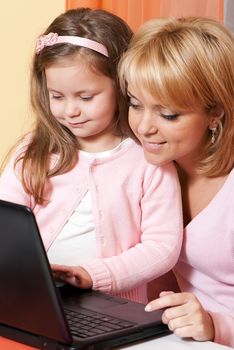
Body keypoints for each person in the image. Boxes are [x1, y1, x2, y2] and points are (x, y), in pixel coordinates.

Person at [0, 8, 183, 305]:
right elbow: (7, 222)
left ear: (122, 86)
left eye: (86, 97)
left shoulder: (148, 160)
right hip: (36, 302)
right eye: (56, 96)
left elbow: (162, 247)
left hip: (114, 310)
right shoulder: (34, 151)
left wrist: (92, 274)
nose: (70, 110)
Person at [118, 16, 234, 347]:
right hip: (172, 338)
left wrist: (215, 324)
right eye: (135, 104)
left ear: (216, 112)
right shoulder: (154, 169)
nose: (143, 127)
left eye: (168, 114)